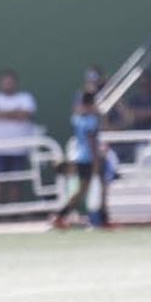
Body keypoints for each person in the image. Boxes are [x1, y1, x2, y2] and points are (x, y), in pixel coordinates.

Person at [0, 69, 38, 204]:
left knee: (16, 183)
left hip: (18, 149)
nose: (8, 85)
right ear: (0, 83)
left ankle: (14, 214)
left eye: (11, 82)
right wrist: (15, 114)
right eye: (5, 82)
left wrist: (1, 114)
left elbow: (25, 114)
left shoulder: (26, 98)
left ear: (16, 83)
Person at [51, 91, 105, 229]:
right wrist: (96, 161)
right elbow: (92, 141)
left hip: (80, 157)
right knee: (90, 190)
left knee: (82, 191)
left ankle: (61, 216)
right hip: (87, 159)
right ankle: (61, 215)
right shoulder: (91, 120)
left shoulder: (77, 118)